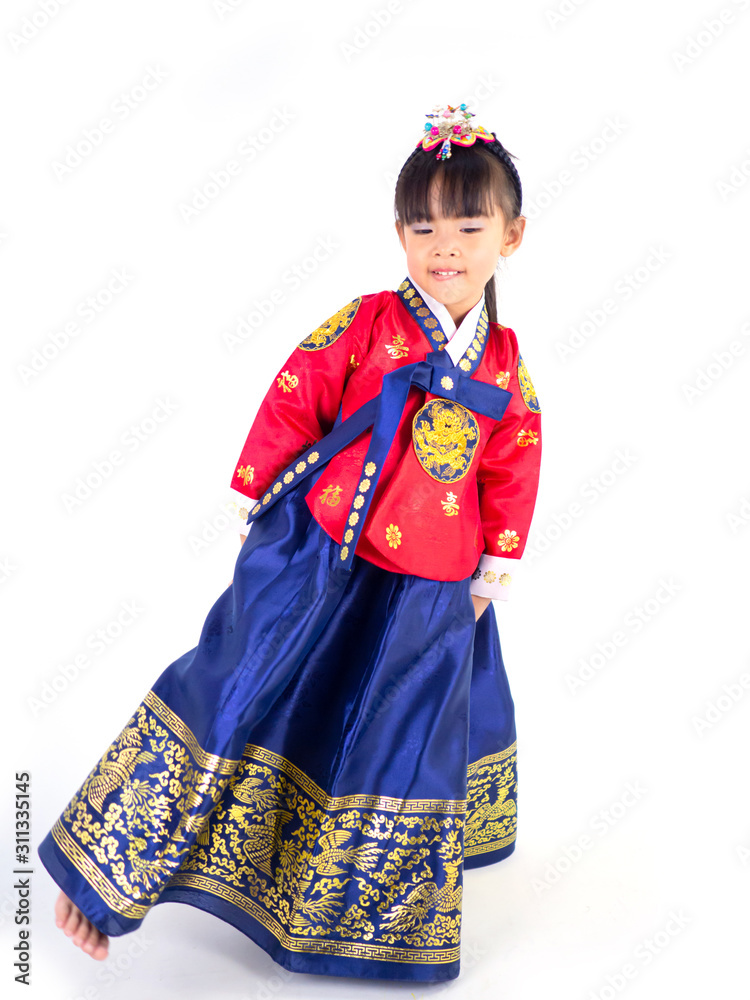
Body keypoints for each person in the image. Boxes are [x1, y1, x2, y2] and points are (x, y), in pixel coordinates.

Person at [40, 102, 543, 983]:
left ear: (512, 235)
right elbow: (294, 392)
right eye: (423, 226)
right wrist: (260, 494)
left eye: (469, 224)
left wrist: (495, 561)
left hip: (430, 588)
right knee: (236, 682)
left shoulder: (503, 363)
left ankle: (366, 919)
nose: (445, 245)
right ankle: (104, 871)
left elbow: (514, 461)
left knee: (399, 735)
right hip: (326, 557)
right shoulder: (365, 324)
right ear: (399, 234)